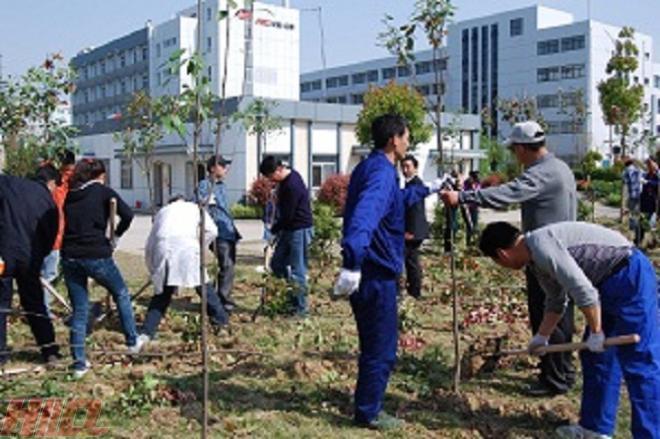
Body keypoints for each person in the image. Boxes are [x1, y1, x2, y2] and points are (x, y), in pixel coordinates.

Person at [479, 221, 660, 439]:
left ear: (502, 255)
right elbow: (556, 300)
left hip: (629, 275)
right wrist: (542, 337)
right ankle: (595, 429)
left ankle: (650, 434)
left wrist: (596, 332)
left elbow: (584, 292)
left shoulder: (542, 248)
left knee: (640, 361)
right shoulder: (534, 259)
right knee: (596, 358)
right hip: (606, 282)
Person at [441, 120, 578, 397]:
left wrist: (464, 197)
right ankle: (558, 372)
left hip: (548, 256)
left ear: (522, 148)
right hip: (552, 253)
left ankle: (556, 379)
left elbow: (508, 193)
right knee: (555, 314)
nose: (515, 157)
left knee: (550, 314)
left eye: (515, 150)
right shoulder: (559, 167)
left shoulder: (543, 173)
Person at [333, 114, 444, 430]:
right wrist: (352, 264)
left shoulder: (372, 168)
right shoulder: (381, 175)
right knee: (380, 347)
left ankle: (367, 404)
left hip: (372, 272)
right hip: (374, 275)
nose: (408, 143)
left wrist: (428, 188)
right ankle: (369, 412)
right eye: (406, 137)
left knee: (375, 344)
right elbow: (361, 223)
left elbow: (396, 201)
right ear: (394, 140)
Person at [61, 159, 146, 378]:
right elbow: (127, 214)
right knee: (121, 293)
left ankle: (79, 363)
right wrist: (116, 235)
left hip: (70, 255)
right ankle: (132, 340)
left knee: (79, 309)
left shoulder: (72, 194)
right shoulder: (101, 191)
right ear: (99, 175)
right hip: (95, 253)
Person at [141, 195, 228, 339]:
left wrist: (153, 270)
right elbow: (213, 231)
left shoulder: (162, 212)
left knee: (162, 293)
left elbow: (150, 244)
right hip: (187, 247)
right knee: (204, 287)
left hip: (163, 248)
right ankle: (221, 321)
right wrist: (200, 245)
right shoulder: (195, 208)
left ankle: (147, 330)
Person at [0, 171, 61, 365]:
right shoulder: (45, 199)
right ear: (50, 183)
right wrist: (39, 256)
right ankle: (49, 350)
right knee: (35, 303)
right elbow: (51, 231)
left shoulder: (7, 183)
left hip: (3, 256)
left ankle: (1, 355)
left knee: (1, 304)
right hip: (30, 257)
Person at [259, 155, 313, 317]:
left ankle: (301, 309)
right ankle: (289, 300)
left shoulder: (292, 184)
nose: (270, 181)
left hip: (299, 229)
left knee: (298, 270)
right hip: (288, 228)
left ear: (279, 169)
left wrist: (274, 230)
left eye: (270, 177)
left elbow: (288, 215)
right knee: (277, 264)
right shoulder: (284, 182)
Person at [197, 155, 241, 314]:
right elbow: (201, 204)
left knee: (228, 267)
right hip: (217, 233)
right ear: (213, 169)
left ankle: (218, 297)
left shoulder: (223, 186)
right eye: (223, 166)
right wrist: (207, 201)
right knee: (226, 265)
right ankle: (223, 300)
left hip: (229, 231)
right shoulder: (204, 185)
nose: (226, 169)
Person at [40, 150, 76, 316]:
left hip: (57, 235)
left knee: (47, 273)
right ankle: (42, 310)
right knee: (48, 273)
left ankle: (40, 307)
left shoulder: (57, 181)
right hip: (54, 236)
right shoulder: (57, 184)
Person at [400, 155, 429, 299]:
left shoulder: (416, 184)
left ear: (415, 168)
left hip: (413, 231)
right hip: (411, 230)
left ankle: (415, 291)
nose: (405, 170)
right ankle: (412, 289)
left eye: (408, 167)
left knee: (411, 261)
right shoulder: (409, 184)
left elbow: (415, 211)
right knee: (410, 260)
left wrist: (410, 231)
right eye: (403, 167)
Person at [623, 158, 643, 245]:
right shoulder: (638, 170)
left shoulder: (626, 171)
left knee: (632, 215)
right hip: (640, 195)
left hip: (632, 196)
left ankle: (633, 232)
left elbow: (624, 180)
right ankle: (637, 233)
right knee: (637, 214)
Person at [640, 158, 659, 244]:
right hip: (645, 202)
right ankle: (640, 239)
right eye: (648, 165)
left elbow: (657, 184)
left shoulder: (657, 175)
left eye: (650, 164)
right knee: (642, 221)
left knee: (652, 223)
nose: (649, 166)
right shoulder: (646, 174)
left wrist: (648, 182)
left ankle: (653, 241)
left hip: (654, 203)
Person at [463, 170, 481, 244]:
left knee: (475, 224)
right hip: (468, 206)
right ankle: (468, 242)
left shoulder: (478, 183)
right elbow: (464, 192)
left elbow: (479, 192)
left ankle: (474, 241)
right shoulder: (467, 183)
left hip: (475, 206)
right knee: (469, 225)